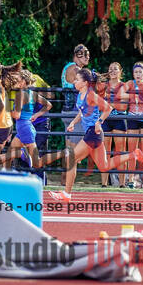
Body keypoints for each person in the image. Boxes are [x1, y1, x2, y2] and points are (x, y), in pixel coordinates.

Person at [48, 68, 143, 203]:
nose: (74, 82)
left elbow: (108, 108)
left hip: (93, 133)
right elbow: (82, 112)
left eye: (77, 80)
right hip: (93, 134)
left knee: (71, 158)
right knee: (104, 166)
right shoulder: (80, 95)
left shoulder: (91, 95)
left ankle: (67, 194)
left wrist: (99, 122)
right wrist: (73, 122)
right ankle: (134, 154)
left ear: (85, 83)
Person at [0, 70, 68, 169]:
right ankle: (7, 174)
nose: (14, 81)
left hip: (25, 130)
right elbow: (48, 105)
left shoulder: (20, 95)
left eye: (17, 80)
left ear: (23, 82)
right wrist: (36, 115)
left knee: (37, 163)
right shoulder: (32, 94)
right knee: (10, 154)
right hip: (24, 129)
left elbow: (17, 115)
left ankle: (63, 153)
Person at [61, 44, 90, 184]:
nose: (87, 57)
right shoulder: (75, 69)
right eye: (84, 54)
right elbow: (86, 85)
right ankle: (67, 181)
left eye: (88, 54)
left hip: (68, 111)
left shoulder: (70, 67)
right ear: (76, 54)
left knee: (69, 149)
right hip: (74, 113)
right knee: (74, 150)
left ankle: (64, 180)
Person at [97, 62, 128, 187]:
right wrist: (114, 102)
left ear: (120, 71)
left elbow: (123, 107)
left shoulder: (124, 86)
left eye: (115, 69)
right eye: (110, 69)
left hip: (119, 119)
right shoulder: (103, 85)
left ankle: (122, 183)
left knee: (120, 152)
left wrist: (108, 102)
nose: (113, 71)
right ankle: (104, 183)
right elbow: (99, 104)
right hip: (105, 119)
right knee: (105, 152)